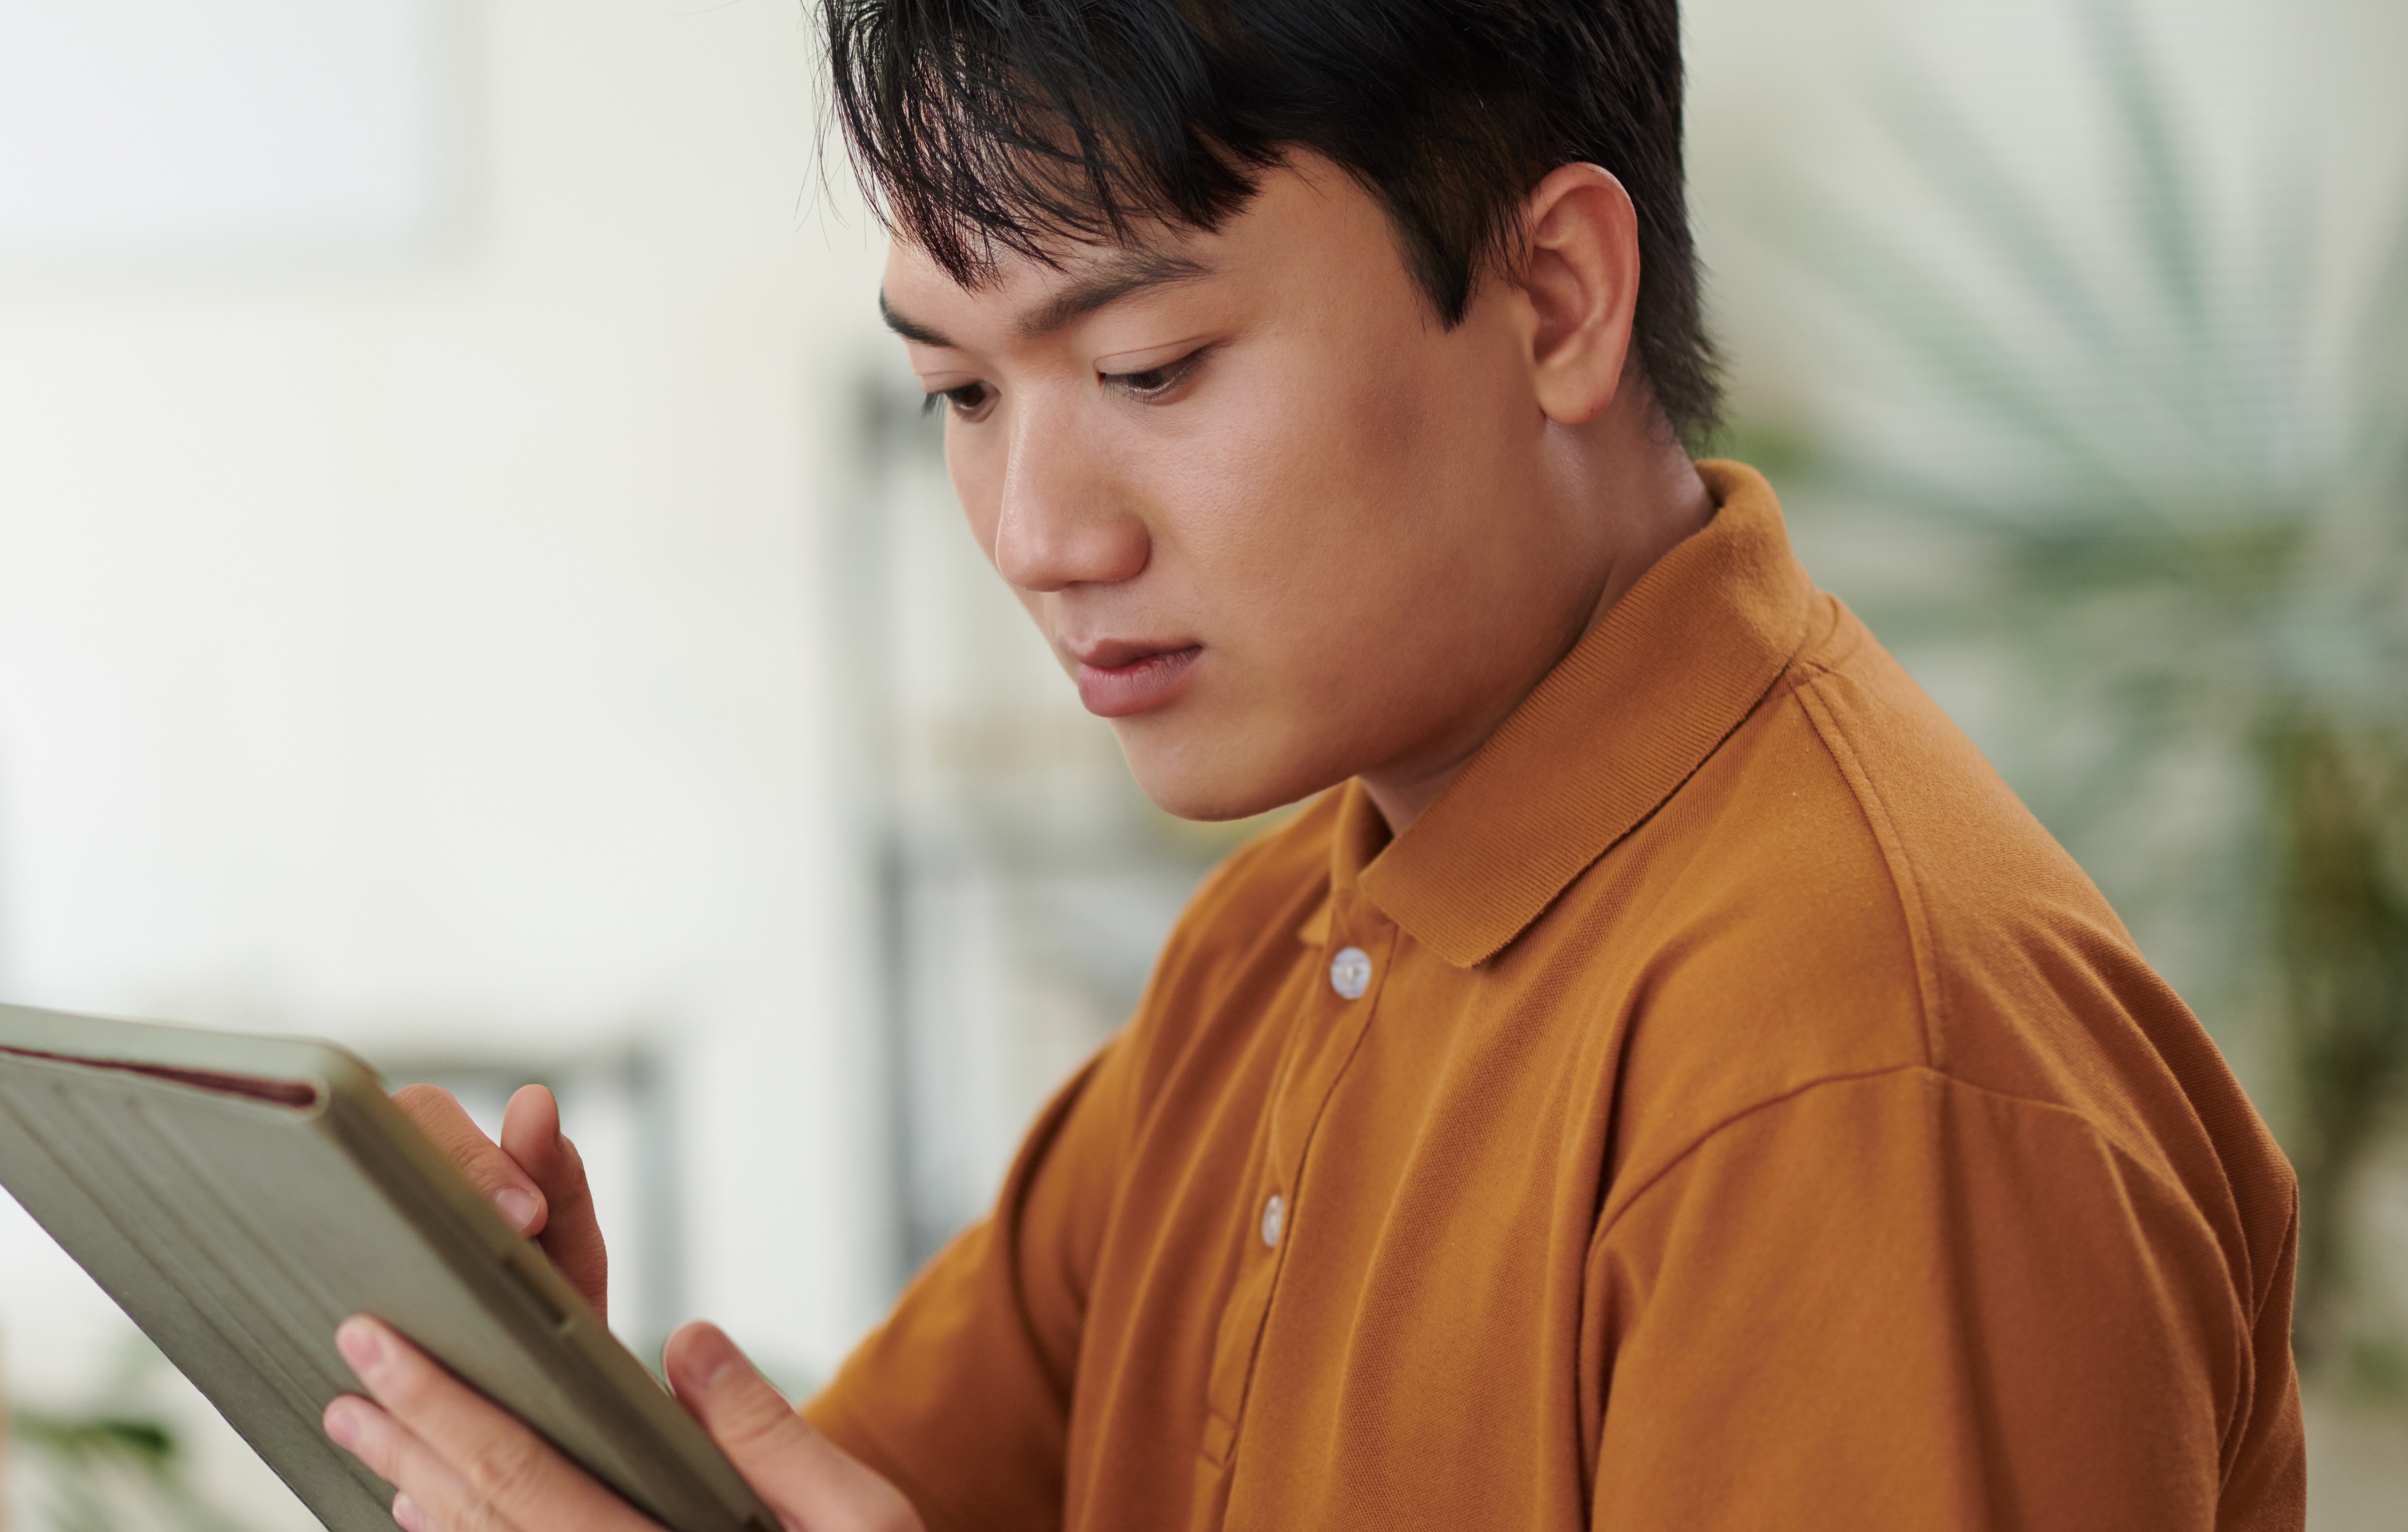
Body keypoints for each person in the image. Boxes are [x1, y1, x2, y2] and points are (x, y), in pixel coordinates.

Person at [316, 1, 2308, 1527]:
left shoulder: (1851, 1075)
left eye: (1151, 372)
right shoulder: (1288, 942)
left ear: (1555, 301)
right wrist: (541, 1396)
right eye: (955, 393)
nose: (1035, 533)